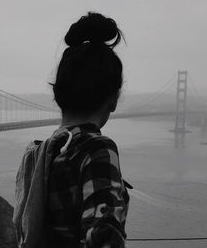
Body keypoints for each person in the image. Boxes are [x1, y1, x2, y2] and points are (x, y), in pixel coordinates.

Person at [14, 12, 130, 248]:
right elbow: (103, 237)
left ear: (58, 96)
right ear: (113, 100)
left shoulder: (40, 153)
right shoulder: (97, 149)